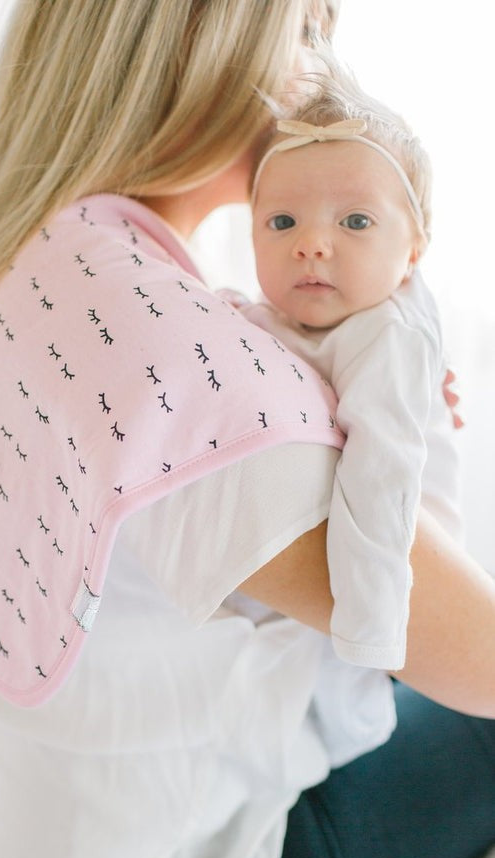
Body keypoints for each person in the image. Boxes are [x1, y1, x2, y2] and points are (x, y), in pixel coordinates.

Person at [0, 3, 495, 858]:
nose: (319, 72)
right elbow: (474, 654)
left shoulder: (48, 257)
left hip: (11, 853)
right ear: (204, 57)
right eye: (300, 33)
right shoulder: (201, 383)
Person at [221, 71, 463, 762]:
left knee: (348, 709)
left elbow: (379, 482)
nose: (312, 244)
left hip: (398, 564)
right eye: (281, 222)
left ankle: (360, 727)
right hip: (335, 562)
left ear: (413, 249)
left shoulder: (388, 335)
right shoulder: (291, 313)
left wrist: (372, 637)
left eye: (354, 222)